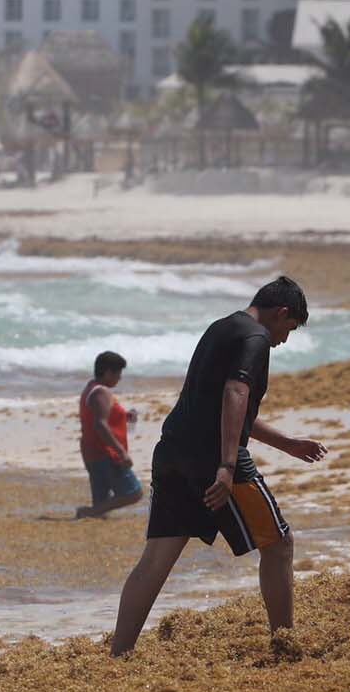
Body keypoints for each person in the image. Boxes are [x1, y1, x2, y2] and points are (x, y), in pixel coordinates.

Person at [109, 276, 327, 656]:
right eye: (288, 330)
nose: (284, 340)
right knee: (278, 545)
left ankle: (118, 654)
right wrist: (227, 466)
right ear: (282, 313)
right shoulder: (257, 338)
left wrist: (287, 444)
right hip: (213, 460)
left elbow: (227, 408)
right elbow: (235, 394)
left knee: (156, 560)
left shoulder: (221, 328)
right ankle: (285, 645)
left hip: (172, 453)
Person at [75, 350, 142, 519]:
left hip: (92, 451)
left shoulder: (91, 388)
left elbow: (99, 418)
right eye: (118, 373)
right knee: (134, 492)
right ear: (107, 372)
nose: (120, 377)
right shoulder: (100, 392)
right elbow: (100, 424)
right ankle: (87, 512)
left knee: (101, 505)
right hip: (105, 453)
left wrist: (125, 416)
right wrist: (121, 452)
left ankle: (91, 515)